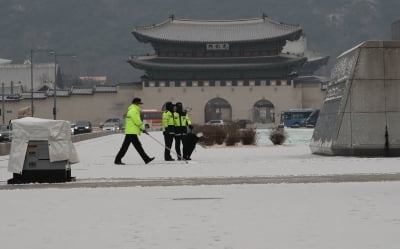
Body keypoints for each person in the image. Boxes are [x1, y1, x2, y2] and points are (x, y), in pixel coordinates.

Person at [114, 98, 155, 165]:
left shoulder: (133, 110)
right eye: (139, 104)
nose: (140, 105)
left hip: (132, 131)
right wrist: (143, 128)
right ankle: (117, 160)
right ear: (136, 103)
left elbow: (135, 122)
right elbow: (137, 121)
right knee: (126, 147)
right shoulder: (133, 110)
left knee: (137, 146)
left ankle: (146, 159)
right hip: (131, 132)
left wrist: (141, 129)